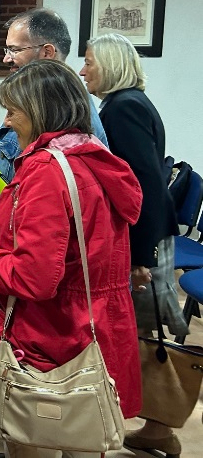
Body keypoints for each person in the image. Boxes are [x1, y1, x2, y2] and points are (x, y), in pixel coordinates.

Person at [0, 59, 143, 458]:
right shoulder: (92, 157)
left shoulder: (47, 170)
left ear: (39, 111)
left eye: (13, 110)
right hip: (94, 325)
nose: (7, 120)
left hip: (52, 335)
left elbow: (35, 277)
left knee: (36, 439)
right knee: (83, 436)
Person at [0, 8, 109, 303]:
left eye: (14, 49)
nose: (5, 58)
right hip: (3, 269)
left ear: (47, 51)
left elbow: (41, 243)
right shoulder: (39, 107)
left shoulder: (62, 144)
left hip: (23, 291)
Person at [81, 33, 188, 457]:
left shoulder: (123, 108)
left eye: (89, 62)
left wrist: (141, 258)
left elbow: (144, 186)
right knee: (149, 332)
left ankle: (161, 428)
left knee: (149, 335)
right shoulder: (129, 102)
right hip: (151, 235)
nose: (83, 70)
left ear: (109, 65)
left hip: (147, 239)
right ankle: (157, 430)